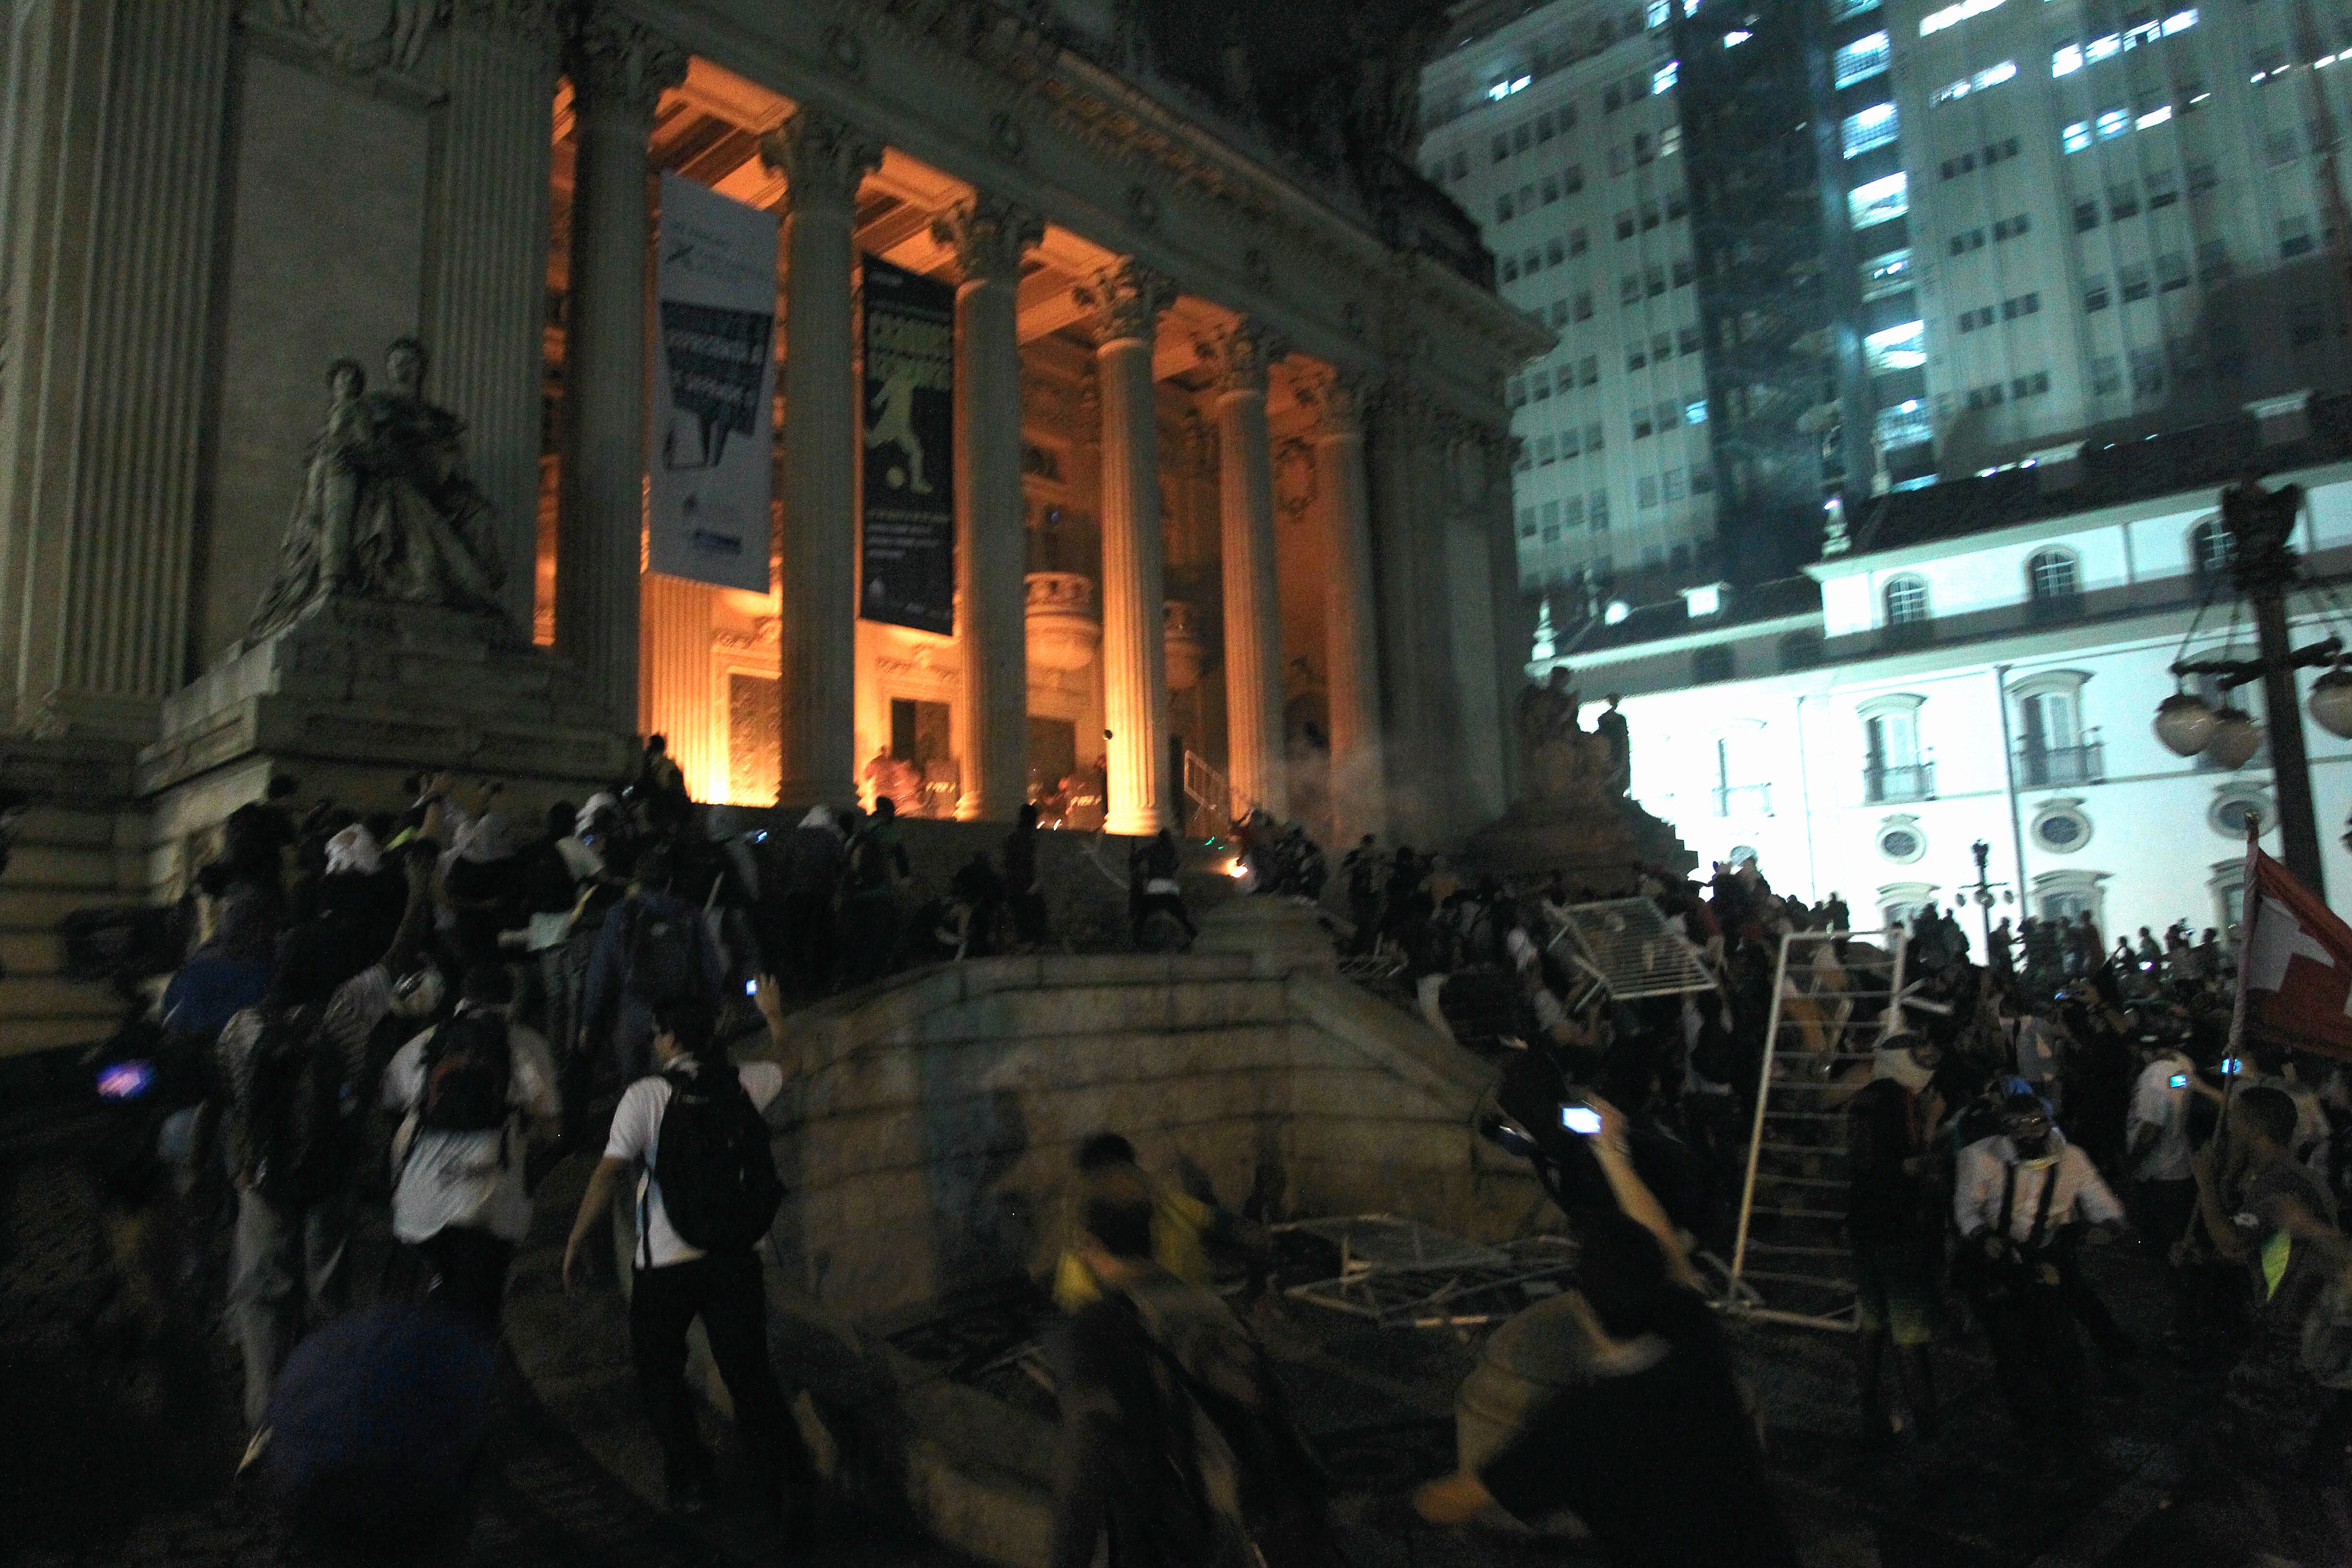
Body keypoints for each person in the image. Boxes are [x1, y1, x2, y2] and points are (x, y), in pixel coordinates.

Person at [1411, 1097, 1800, 1568]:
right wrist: (1612, 1150)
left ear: (1584, 1303)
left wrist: (1407, 1504)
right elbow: (1663, 1246)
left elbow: (1461, 1498)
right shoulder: (1695, 1341)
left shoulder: (1585, 1420)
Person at [563, 997, 810, 1523]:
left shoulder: (647, 1096)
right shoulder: (741, 1083)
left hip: (666, 1263)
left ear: (672, 1040)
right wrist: (773, 1014)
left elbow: (607, 1174)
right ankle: (779, 1478)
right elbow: (793, 1061)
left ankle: (692, 1478)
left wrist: (577, 1240)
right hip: (735, 1257)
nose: (654, 1041)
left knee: (660, 1374)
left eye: (657, 1033)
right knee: (748, 1371)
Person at [219, 845, 435, 1439]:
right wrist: (420, 883)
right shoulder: (346, 1010)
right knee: (329, 1292)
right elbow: (400, 954)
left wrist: (245, 1164)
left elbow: (240, 1104)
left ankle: (264, 1419)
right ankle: (331, 1402)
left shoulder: (241, 1029)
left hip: (264, 1178)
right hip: (332, 1171)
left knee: (263, 1297)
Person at [1046, 1162, 1336, 1568]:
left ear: (1085, 1241)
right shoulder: (1211, 1306)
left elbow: (1087, 1451)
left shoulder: (1096, 1325)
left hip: (1181, 1545)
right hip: (1254, 1535)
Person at [380, 963, 561, 1330]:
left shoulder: (427, 1042)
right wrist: (547, 1143)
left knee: (437, 1293)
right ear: (511, 1001)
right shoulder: (523, 1044)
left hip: (420, 1201)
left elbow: (391, 1098)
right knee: (480, 1310)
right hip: (486, 1201)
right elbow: (551, 1122)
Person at [1952, 1091, 2128, 1433]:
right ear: (2004, 1130)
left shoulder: (2072, 1159)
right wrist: (1982, 1238)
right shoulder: (1978, 1157)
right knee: (2011, 1350)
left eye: (2038, 1123)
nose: (2031, 1134)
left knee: (2061, 1345)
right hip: (1995, 1259)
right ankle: (2029, 1426)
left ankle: (2069, 1423)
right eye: (2018, 1127)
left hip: (2045, 1260)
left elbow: (2105, 1207)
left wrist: (2107, 1231)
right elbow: (1966, 1208)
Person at [1847, 1076, 1943, 1439]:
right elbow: (1916, 1168)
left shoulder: (1864, 1102)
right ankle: (1927, 1423)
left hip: (1864, 1231)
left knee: (1871, 1326)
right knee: (1909, 1337)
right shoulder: (1897, 1100)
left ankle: (1871, 1413)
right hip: (1897, 1235)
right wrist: (1931, 1128)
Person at [581, 841, 724, 1085]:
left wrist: (589, 1021)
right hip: (675, 1017)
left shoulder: (621, 914)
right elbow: (710, 967)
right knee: (670, 1088)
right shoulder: (689, 914)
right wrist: (715, 1009)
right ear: (669, 881)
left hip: (632, 1014)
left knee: (635, 1089)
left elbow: (601, 971)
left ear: (636, 882)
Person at [1130, 828, 1196, 949]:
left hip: (1155, 889)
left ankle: (1136, 941)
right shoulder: (1172, 851)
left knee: (1142, 917)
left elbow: (1137, 859)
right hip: (1170, 890)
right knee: (1182, 917)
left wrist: (1134, 861)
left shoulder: (1153, 848)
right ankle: (1192, 936)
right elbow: (1176, 865)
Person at [1005, 803, 1050, 949]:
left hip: (1014, 885)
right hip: (1028, 885)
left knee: (1021, 922)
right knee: (1037, 922)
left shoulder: (1012, 838)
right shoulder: (1032, 837)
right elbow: (1037, 861)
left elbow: (1006, 862)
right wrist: (1037, 883)